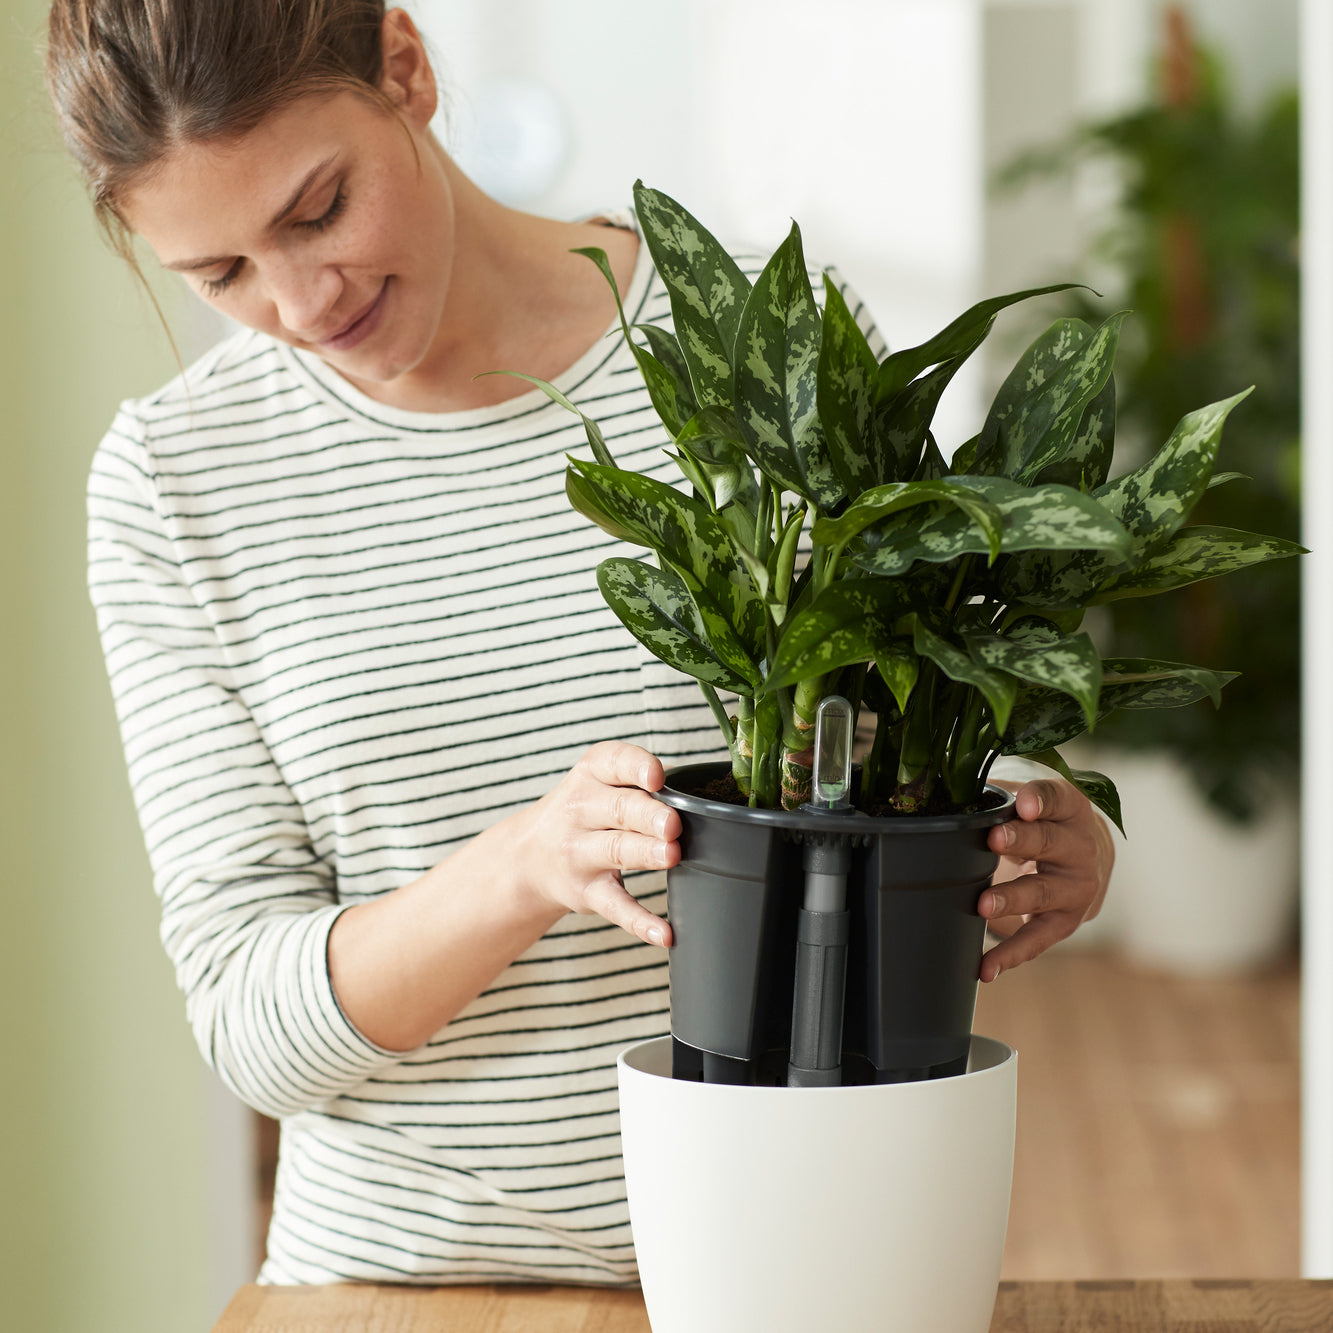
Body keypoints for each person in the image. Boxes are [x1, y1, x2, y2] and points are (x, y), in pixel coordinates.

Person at [47, 0, 1114, 1287]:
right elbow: (249, 1025)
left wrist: (1030, 835)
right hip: (400, 1291)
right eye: (220, 275)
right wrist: (521, 864)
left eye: (319, 209)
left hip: (804, 1260)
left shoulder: (755, 342)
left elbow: (906, 741)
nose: (299, 300)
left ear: (404, 67)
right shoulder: (177, 482)